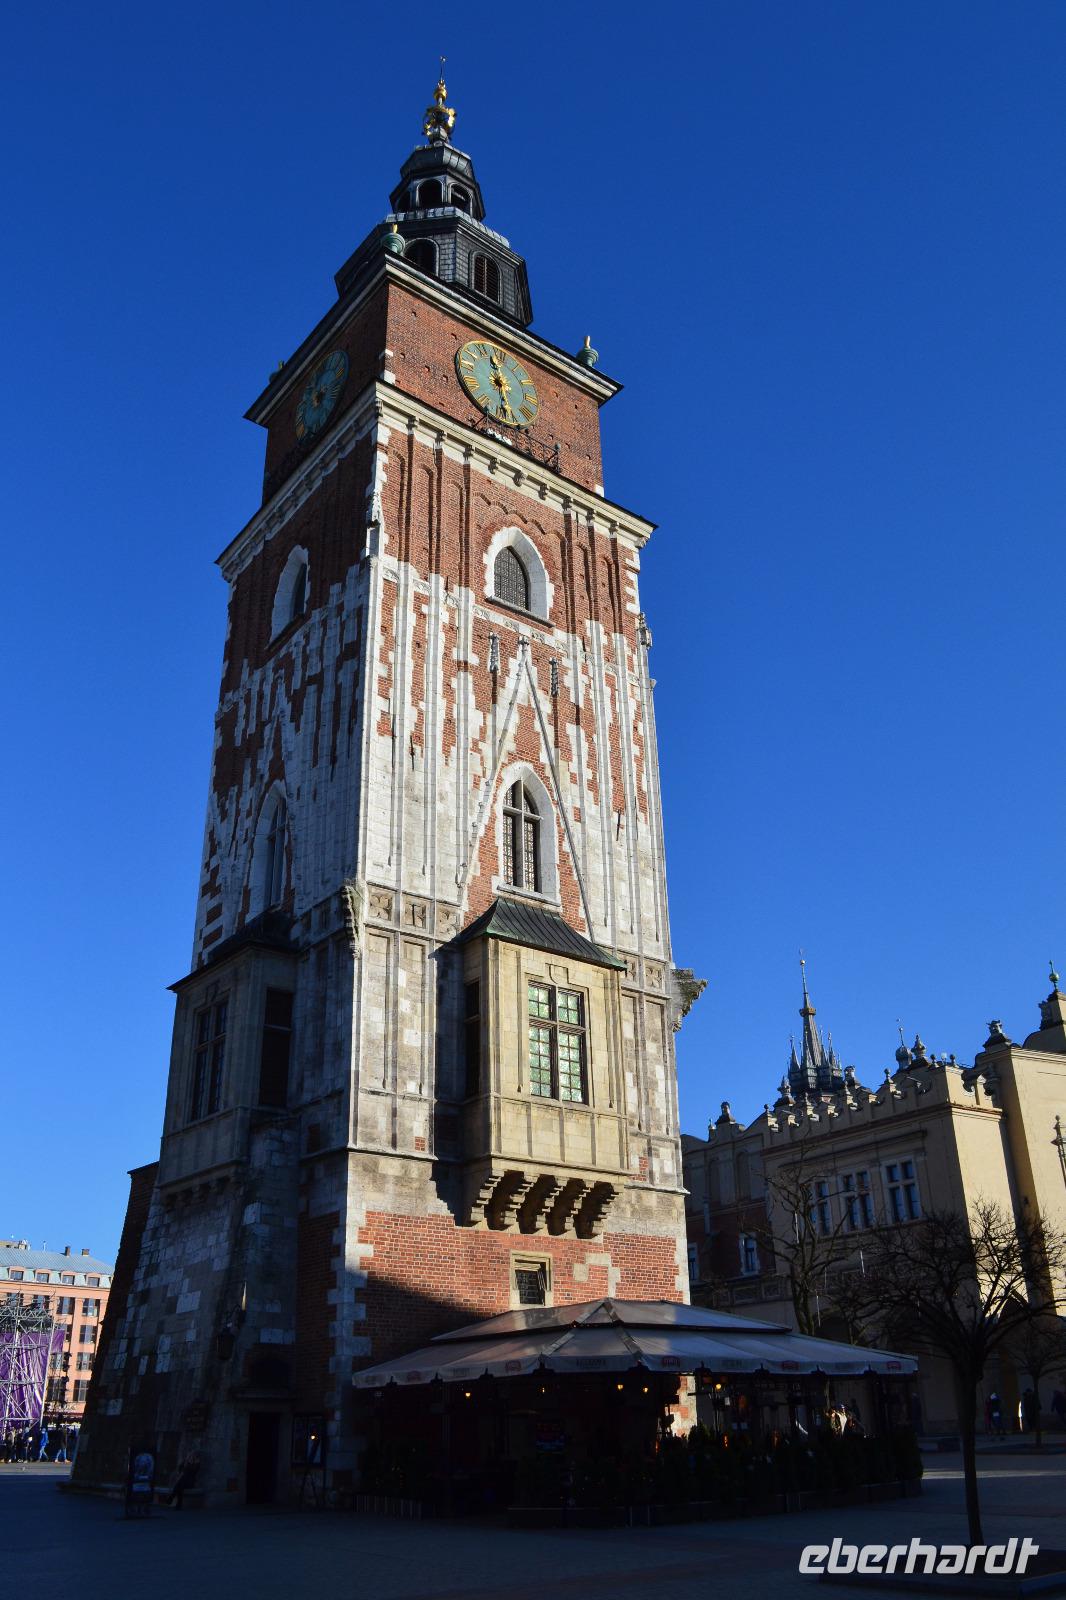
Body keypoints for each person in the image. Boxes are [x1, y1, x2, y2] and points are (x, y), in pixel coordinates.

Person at [126, 1442, 155, 1518]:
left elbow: (149, 1470)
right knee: (140, 1496)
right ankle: (139, 1509)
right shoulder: (141, 1457)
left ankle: (141, 1509)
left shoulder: (146, 1457)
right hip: (140, 1482)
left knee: (142, 1496)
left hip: (142, 1482)